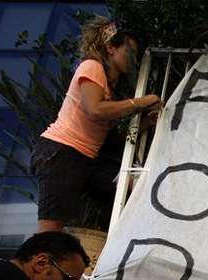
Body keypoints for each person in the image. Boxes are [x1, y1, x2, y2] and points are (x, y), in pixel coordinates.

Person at [33, 16, 161, 233]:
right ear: (111, 48)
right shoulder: (92, 67)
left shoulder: (111, 89)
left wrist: (145, 125)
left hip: (87, 159)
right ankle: (32, 262)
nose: (133, 59)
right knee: (50, 229)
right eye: (130, 51)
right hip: (63, 151)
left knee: (129, 186)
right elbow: (95, 108)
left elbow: (110, 137)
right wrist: (141, 102)